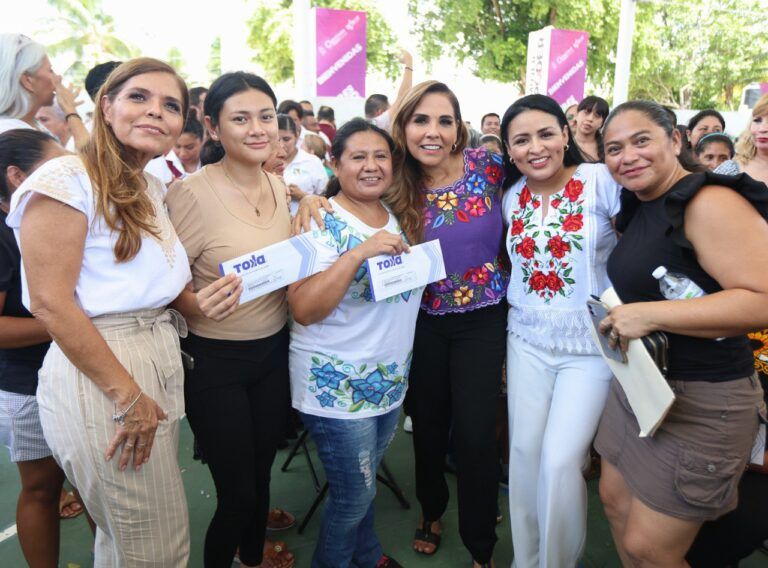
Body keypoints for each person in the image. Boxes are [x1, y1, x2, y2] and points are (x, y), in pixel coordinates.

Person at [6, 57, 192, 567]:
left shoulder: (150, 187)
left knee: (133, 540)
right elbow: (49, 301)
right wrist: (128, 395)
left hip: (151, 357)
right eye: (139, 98)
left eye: (170, 105)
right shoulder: (68, 176)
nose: (156, 111)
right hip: (106, 371)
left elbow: (153, 284)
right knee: (150, 549)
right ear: (106, 107)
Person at [595, 99, 768, 568]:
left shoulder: (708, 201)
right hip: (641, 384)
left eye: (641, 140)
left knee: (650, 550)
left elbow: (763, 298)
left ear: (675, 140)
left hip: (702, 400)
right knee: (614, 502)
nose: (627, 155)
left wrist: (651, 315)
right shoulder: (643, 203)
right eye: (614, 148)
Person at [166, 71, 295, 568]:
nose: (258, 128)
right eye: (240, 118)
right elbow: (162, 284)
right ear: (213, 127)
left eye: (265, 116)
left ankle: (251, 559)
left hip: (273, 350)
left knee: (262, 476)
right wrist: (191, 304)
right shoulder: (191, 194)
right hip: (215, 361)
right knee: (237, 494)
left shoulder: (281, 187)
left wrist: (314, 203)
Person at [289, 118, 418, 568]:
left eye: (380, 156)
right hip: (336, 382)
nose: (371, 166)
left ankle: (367, 556)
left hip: (387, 376)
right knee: (354, 494)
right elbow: (303, 307)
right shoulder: (318, 217)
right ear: (334, 162)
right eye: (358, 156)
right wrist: (357, 254)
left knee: (361, 489)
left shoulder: (394, 213)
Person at [390, 81, 509, 568]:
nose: (432, 131)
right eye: (420, 120)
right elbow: (341, 202)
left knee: (478, 435)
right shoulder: (394, 183)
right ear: (404, 128)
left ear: (459, 127)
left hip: (484, 319)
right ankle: (432, 512)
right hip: (422, 321)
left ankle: (481, 544)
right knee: (430, 426)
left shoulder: (489, 165)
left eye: (443, 120)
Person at [499, 94, 620, 567]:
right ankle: (525, 560)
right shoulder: (512, 197)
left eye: (546, 133)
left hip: (591, 347)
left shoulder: (602, 182)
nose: (536, 147)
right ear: (509, 151)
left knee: (561, 461)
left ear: (566, 134)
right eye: (521, 140)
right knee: (525, 457)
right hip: (526, 338)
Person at [0, 128, 74, 568]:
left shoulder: (61, 217)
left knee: (94, 487)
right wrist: (64, 324)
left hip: (79, 370)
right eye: (58, 168)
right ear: (15, 176)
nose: (71, 177)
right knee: (43, 488)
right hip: (26, 384)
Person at [0, 33, 88, 148]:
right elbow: (90, 160)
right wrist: (70, 110)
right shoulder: (16, 135)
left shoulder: (27, 127)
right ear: (28, 81)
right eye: (50, 70)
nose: (58, 78)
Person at [279, 113, 329, 215]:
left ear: (297, 136)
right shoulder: (265, 162)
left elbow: (327, 200)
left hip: (306, 225)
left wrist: (303, 196)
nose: (281, 145)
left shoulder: (312, 162)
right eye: (277, 140)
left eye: (286, 139)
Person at [364, 50, 414, 133]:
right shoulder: (377, 123)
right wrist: (409, 62)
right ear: (379, 112)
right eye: (389, 108)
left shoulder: (357, 126)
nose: (394, 112)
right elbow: (403, 97)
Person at [573, 95, 609, 162]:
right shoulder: (564, 144)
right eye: (586, 113)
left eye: (597, 116)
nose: (590, 119)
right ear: (577, 115)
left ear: (602, 122)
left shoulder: (607, 148)